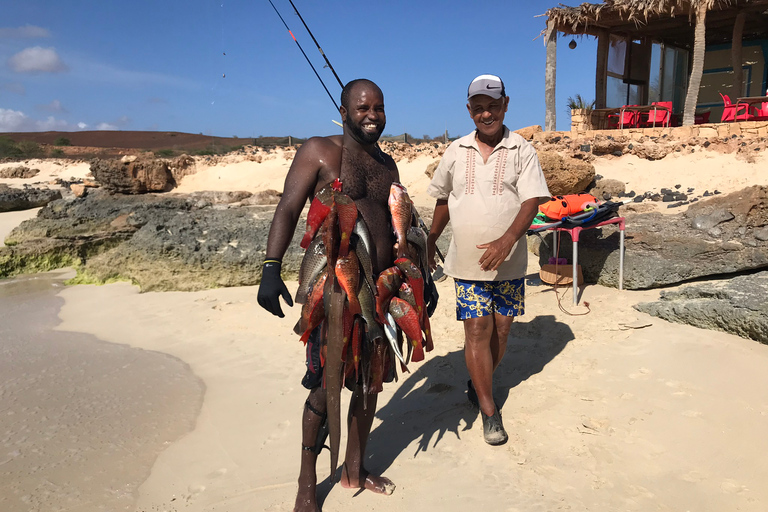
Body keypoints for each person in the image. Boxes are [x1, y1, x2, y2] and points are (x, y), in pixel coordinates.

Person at [257, 79, 399, 512]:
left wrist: (416, 279)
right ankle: (306, 482)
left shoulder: (388, 164)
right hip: (333, 292)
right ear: (343, 110)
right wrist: (270, 267)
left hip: (380, 289)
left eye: (378, 107)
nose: (372, 115)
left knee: (369, 383)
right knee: (325, 387)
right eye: (362, 108)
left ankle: (355, 468)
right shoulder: (319, 151)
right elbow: (288, 206)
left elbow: (396, 224)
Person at [426, 74, 550, 445]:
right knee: (477, 329)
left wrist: (508, 239)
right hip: (467, 263)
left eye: (492, 106)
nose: (486, 114)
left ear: (506, 105)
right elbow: (444, 198)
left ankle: (479, 378)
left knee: (502, 329)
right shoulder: (455, 150)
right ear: (469, 111)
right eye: (478, 108)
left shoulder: (521, 150)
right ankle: (488, 409)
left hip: (510, 263)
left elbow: (532, 201)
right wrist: (430, 238)